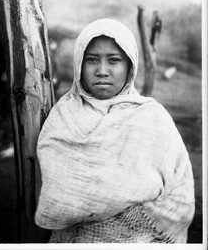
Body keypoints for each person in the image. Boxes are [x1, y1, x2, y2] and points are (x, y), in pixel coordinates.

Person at [35, 18, 195, 243]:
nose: (102, 71)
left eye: (113, 60)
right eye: (91, 60)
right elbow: (58, 195)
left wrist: (124, 225)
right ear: (79, 63)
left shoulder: (153, 118)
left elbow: (180, 195)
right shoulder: (63, 117)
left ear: (130, 66)